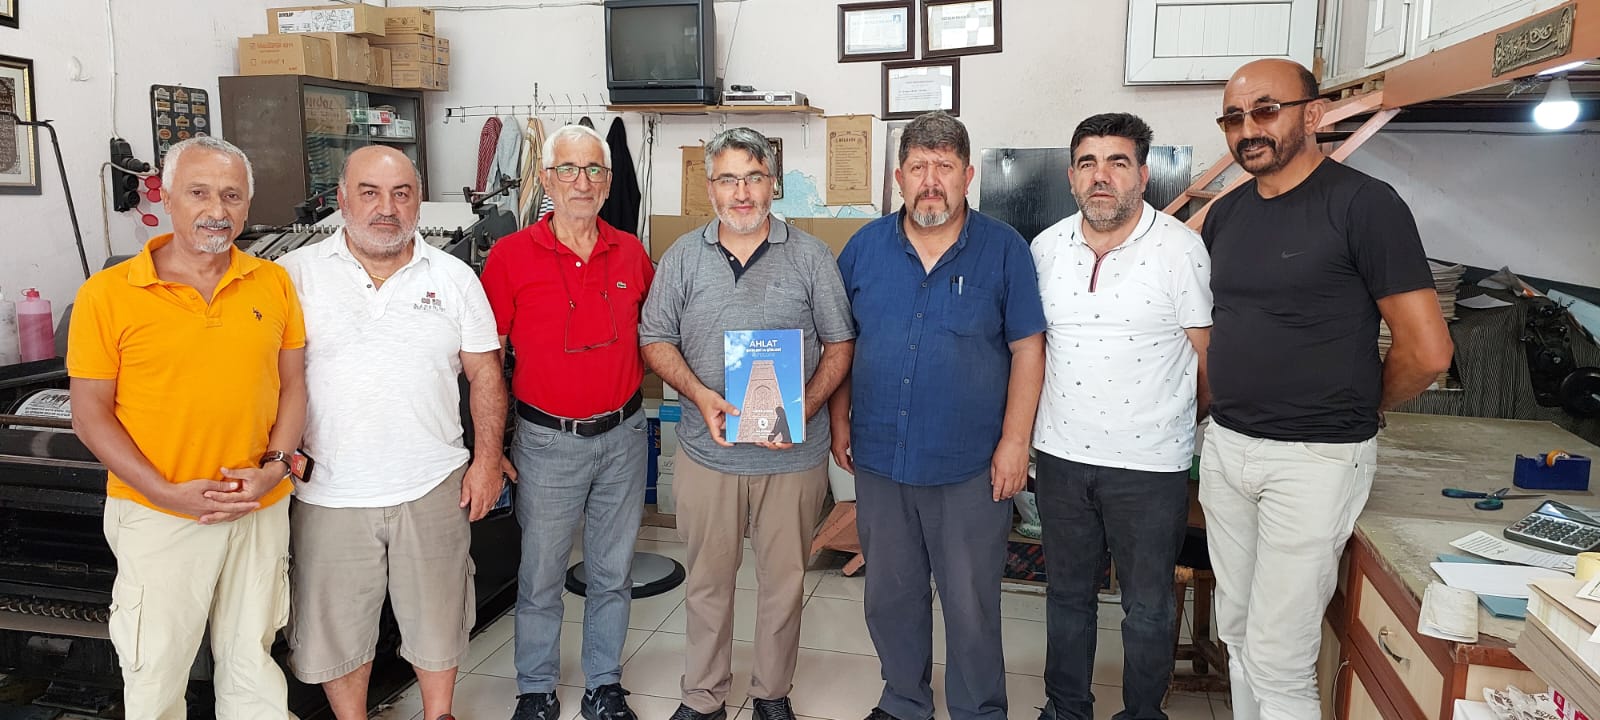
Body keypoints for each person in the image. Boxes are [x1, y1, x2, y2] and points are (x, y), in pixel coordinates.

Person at [1200, 59, 1454, 719]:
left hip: (1314, 459)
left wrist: (1362, 403)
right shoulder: (1227, 216)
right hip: (1228, 449)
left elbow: (1429, 351)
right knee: (1238, 633)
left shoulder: (1365, 206)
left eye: (1265, 110)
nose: (1248, 129)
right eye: (1233, 117)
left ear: (1312, 115)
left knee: (1279, 658)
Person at [67, 135, 306, 719]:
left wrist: (274, 469)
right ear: (167, 198)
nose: (216, 210)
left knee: (252, 662)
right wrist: (163, 491)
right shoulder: (107, 295)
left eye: (231, 195)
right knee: (156, 671)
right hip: (159, 513)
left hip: (256, 506)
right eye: (199, 193)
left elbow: (293, 386)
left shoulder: (272, 282)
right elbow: (89, 413)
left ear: (247, 205)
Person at [276, 145, 508, 720]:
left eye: (401, 194)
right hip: (328, 490)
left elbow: (486, 374)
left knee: (439, 619)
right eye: (370, 193)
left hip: (432, 484)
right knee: (337, 631)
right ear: (342, 200)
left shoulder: (454, 278)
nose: (387, 208)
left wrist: (486, 462)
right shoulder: (292, 276)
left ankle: (440, 714)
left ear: (418, 202)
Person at [829, 111, 1046, 720]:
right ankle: (903, 701)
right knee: (891, 595)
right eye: (918, 167)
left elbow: (1028, 349)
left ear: (968, 175)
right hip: (882, 457)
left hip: (970, 466)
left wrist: (1015, 443)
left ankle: (979, 709)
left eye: (944, 167)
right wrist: (840, 420)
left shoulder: (1004, 249)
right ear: (899, 176)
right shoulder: (864, 249)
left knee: (971, 603)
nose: (931, 181)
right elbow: (840, 343)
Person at [639, 127, 856, 720]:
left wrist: (804, 406)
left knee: (783, 583)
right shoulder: (682, 257)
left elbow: (840, 344)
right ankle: (703, 695)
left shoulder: (811, 256)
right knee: (708, 582)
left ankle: (771, 694)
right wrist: (699, 394)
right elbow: (654, 339)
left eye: (754, 177)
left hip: (792, 458)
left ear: (773, 184)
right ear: (710, 188)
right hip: (707, 454)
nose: (741, 192)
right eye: (729, 179)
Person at [1029, 113, 1212, 720]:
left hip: (1149, 465)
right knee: (1067, 597)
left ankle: (1142, 714)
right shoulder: (1045, 248)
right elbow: (1034, 350)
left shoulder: (1180, 249)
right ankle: (1066, 709)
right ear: (1071, 176)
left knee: (1148, 607)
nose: (1101, 176)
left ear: (1143, 174)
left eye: (1117, 162)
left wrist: (1177, 422)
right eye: (1088, 163)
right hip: (1061, 457)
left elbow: (1208, 358)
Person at [480, 124, 656, 720]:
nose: (582, 182)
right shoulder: (510, 257)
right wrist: (492, 446)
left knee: (612, 572)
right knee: (540, 575)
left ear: (608, 183)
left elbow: (659, 335)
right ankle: (535, 690)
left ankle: (604, 685)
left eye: (593, 170)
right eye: (569, 170)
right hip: (547, 442)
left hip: (624, 437)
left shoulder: (630, 253)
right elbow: (487, 358)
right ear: (547, 179)